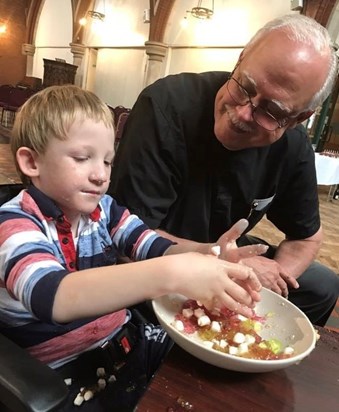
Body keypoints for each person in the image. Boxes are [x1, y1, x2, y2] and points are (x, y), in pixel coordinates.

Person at [0, 85, 266, 411]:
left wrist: (209, 254)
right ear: (31, 162)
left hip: (130, 343)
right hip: (62, 376)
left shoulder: (104, 210)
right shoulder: (15, 225)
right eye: (82, 158)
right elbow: (53, 296)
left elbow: (151, 246)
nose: (100, 175)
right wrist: (170, 274)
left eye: (108, 161)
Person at [109, 14, 339, 327]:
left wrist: (263, 287)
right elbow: (125, 238)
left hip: (227, 253)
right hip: (161, 259)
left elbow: (306, 239)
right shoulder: (166, 106)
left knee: (322, 285)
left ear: (299, 119)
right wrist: (221, 264)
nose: (242, 113)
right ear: (241, 58)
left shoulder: (293, 147)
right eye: (245, 86)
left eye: (272, 112)